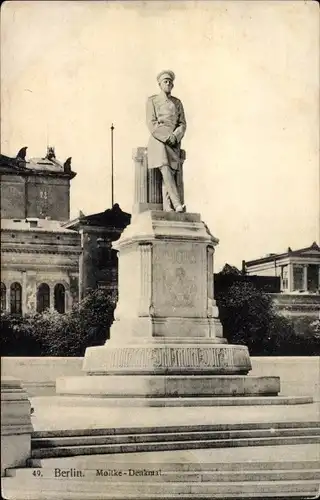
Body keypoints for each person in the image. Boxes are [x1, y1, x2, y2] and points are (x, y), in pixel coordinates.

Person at [146, 70, 187, 212]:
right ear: (160, 84)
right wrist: (166, 137)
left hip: (174, 142)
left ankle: (167, 207)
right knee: (165, 169)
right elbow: (151, 123)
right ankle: (177, 204)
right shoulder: (152, 101)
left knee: (170, 173)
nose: (168, 83)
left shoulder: (177, 103)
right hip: (159, 141)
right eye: (165, 81)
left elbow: (182, 124)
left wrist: (175, 136)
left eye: (170, 81)